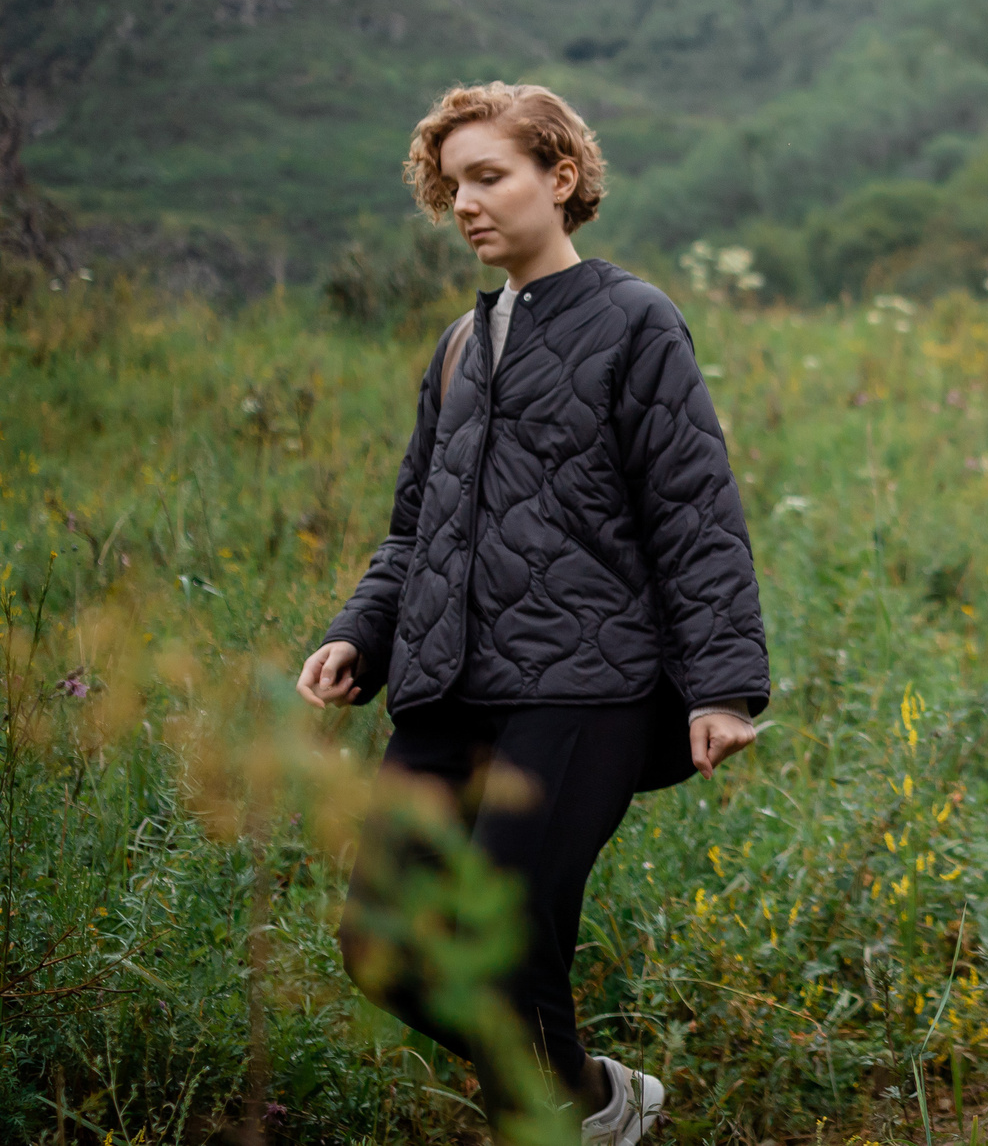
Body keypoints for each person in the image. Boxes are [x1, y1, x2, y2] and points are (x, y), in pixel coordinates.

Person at [297, 83, 769, 1145]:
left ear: (560, 178)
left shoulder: (632, 321)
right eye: (450, 185)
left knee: (509, 938)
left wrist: (724, 686)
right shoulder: (457, 349)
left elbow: (692, 512)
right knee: (381, 948)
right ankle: (596, 1102)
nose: (465, 204)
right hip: (446, 688)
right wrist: (357, 632)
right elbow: (416, 527)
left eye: (490, 177)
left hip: (585, 687)